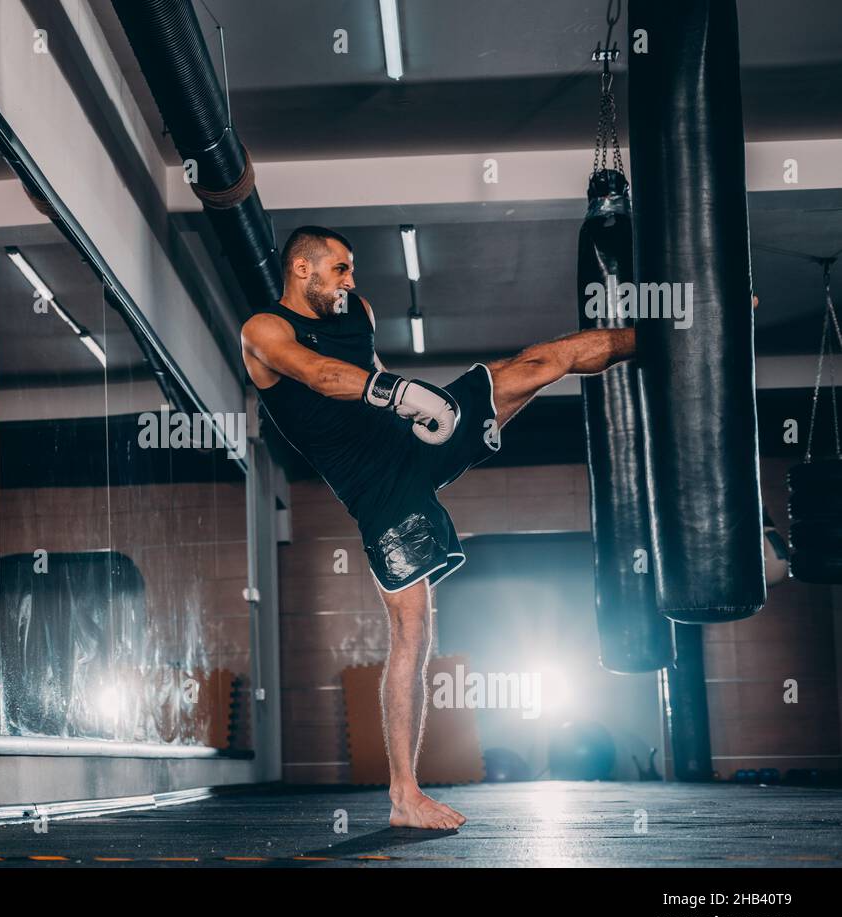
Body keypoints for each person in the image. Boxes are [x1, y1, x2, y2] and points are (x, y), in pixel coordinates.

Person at [241, 226, 635, 829]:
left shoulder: (358, 312)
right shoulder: (264, 330)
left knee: (536, 364)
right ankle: (404, 795)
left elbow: (368, 370)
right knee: (414, 629)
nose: (351, 281)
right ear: (302, 269)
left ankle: (670, 334)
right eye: (341, 269)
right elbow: (321, 375)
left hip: (413, 441)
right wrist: (402, 393)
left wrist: (417, 408)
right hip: (378, 489)